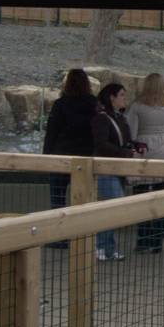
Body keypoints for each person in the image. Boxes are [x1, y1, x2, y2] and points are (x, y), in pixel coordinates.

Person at [127, 73, 164, 253]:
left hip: (144, 151)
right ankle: (157, 242)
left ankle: (144, 240)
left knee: (141, 198)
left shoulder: (137, 106)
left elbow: (131, 133)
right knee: (163, 199)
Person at [42, 69, 99, 247]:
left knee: (57, 199)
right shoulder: (93, 104)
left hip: (61, 157)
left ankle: (60, 237)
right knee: (83, 200)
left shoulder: (61, 104)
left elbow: (52, 132)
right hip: (85, 158)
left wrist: (46, 156)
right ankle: (82, 236)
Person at [90, 82, 143, 260]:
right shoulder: (101, 119)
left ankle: (109, 247)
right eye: (121, 95)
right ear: (111, 97)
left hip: (118, 168)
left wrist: (135, 145)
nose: (124, 99)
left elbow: (125, 139)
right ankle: (99, 245)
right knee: (112, 206)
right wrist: (124, 152)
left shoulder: (120, 118)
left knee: (114, 207)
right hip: (106, 169)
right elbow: (102, 143)